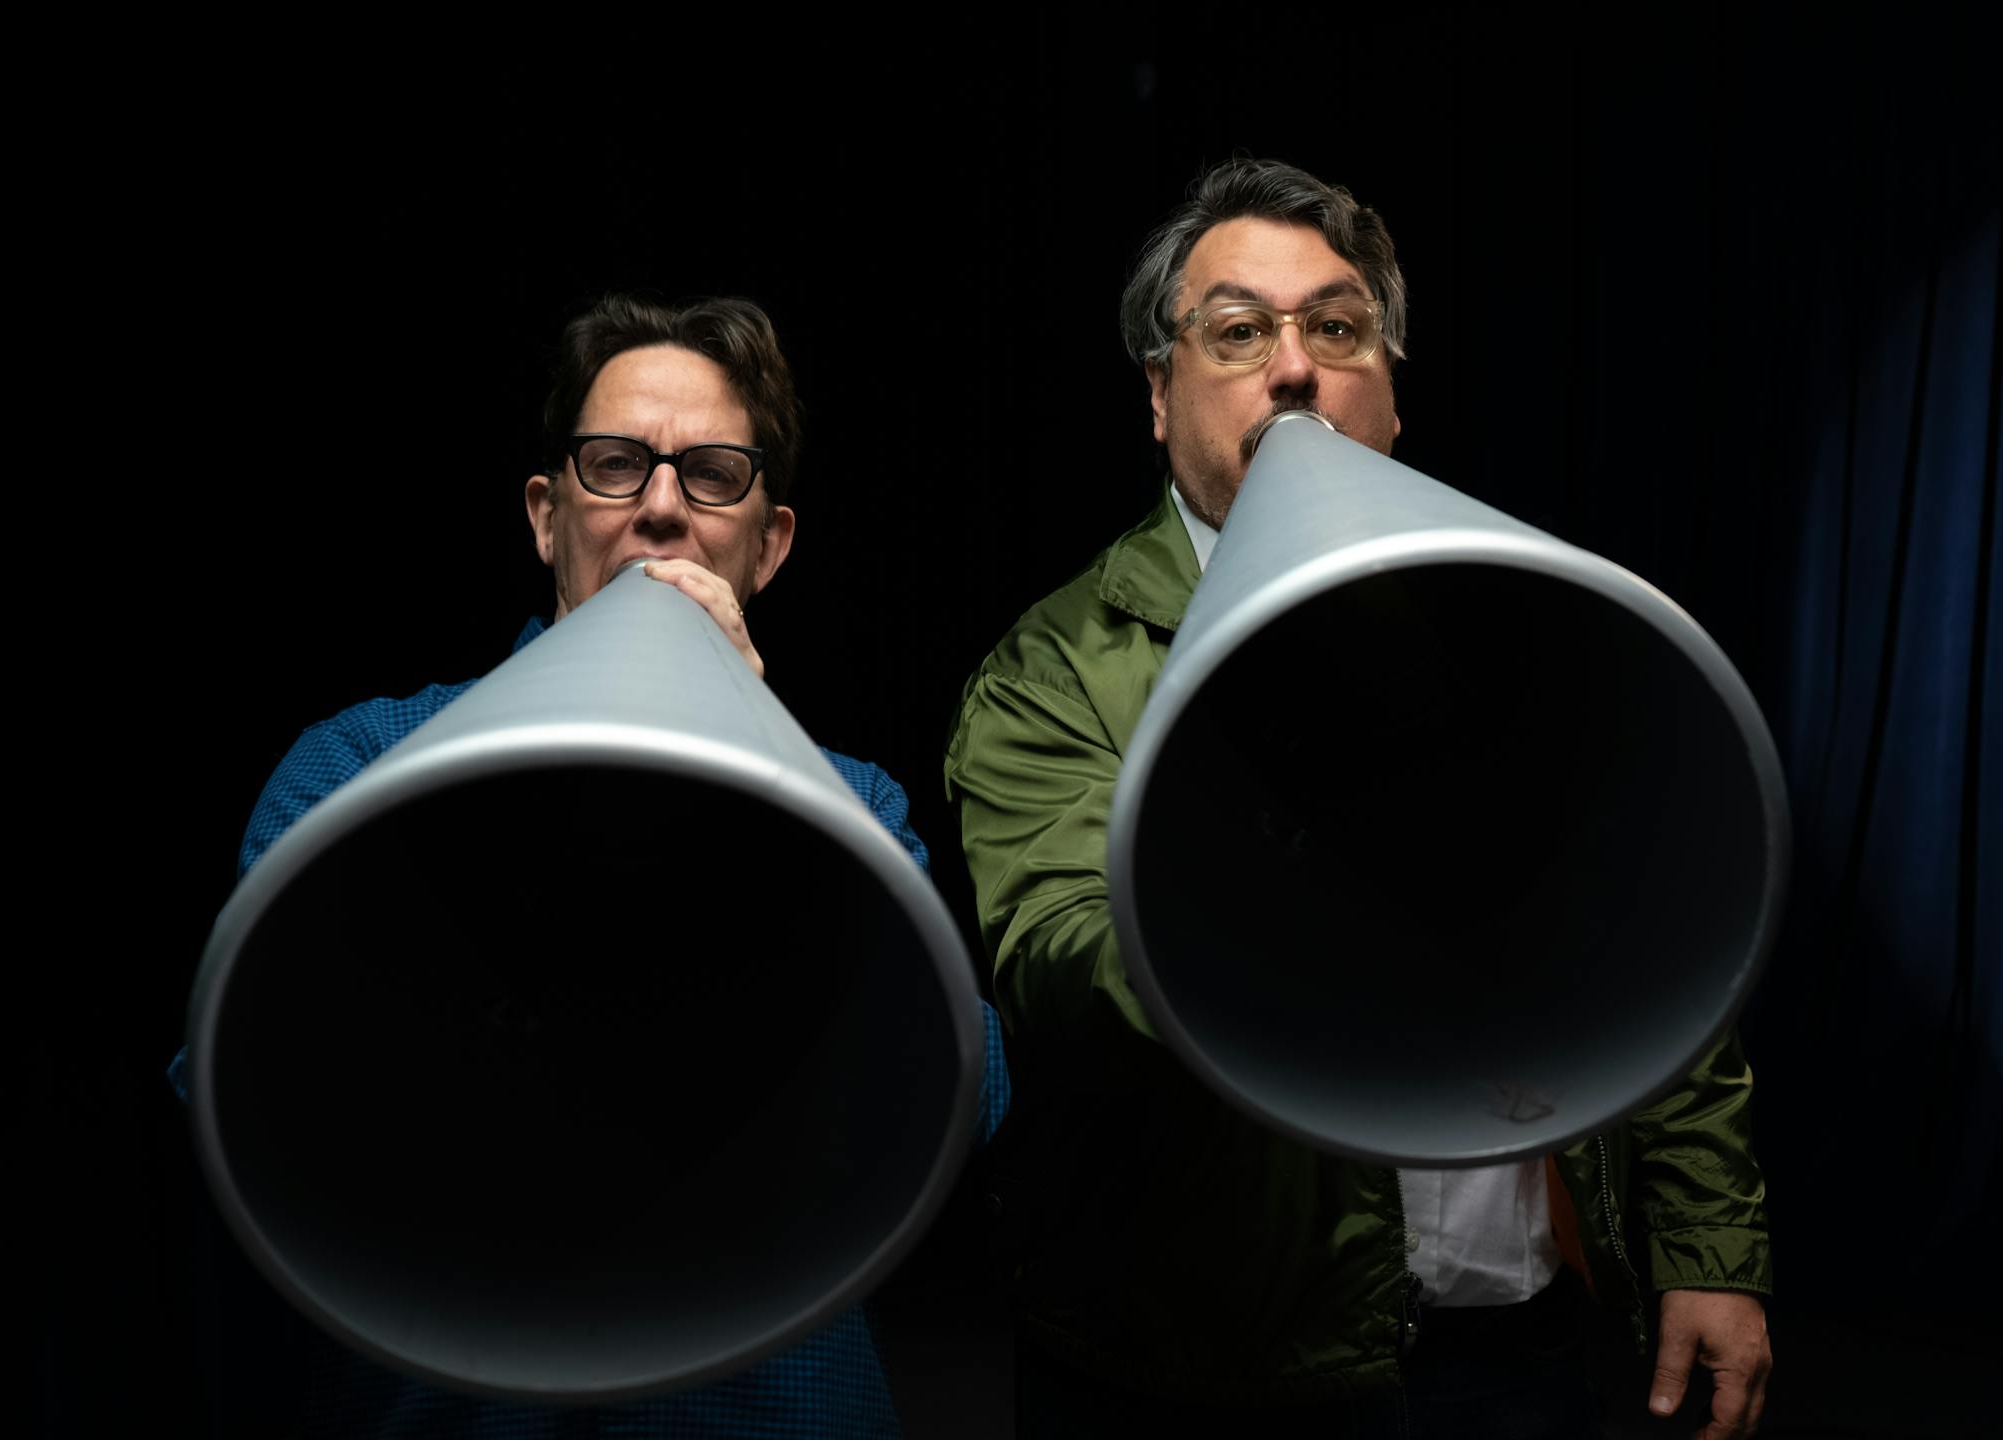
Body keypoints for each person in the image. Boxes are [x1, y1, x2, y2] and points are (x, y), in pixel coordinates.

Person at [944, 159, 1771, 1438]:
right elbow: (1058, 970)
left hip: (1514, 1354)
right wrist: (1297, 844)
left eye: (1336, 328)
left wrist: (1709, 1244)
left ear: (1387, 393)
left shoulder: (1522, 616)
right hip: (1206, 1381)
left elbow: (1648, 941)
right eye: (1237, 333)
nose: (1293, 368)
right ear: (1160, 396)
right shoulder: (1053, 669)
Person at [179, 293, 1009, 1438]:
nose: (660, 508)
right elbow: (246, 1089)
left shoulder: (853, 801)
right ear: (546, 516)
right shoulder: (362, 762)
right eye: (616, 465)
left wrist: (763, 775)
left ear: (769, 547)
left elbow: (966, 1096)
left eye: (712, 475)